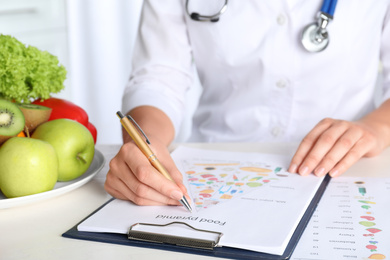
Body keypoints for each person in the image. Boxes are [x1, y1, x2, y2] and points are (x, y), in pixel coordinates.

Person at [105, 1, 390, 207]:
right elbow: (158, 78)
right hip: (212, 167)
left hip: (351, 171)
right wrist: (145, 142)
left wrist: (376, 128)